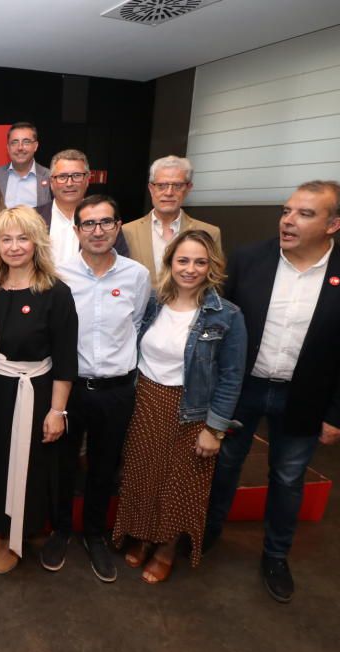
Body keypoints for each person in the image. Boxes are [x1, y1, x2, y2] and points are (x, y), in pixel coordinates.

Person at [204, 181, 340, 603]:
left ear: (335, 224)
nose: (288, 220)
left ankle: (275, 556)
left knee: (288, 478)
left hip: (304, 396)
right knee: (223, 466)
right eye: (286, 210)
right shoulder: (250, 259)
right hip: (244, 389)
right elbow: (221, 330)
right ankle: (206, 535)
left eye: (305, 214)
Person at [111, 229, 246, 584]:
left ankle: (167, 548)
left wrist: (214, 428)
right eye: (183, 260)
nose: (190, 269)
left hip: (190, 411)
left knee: (180, 485)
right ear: (170, 262)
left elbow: (232, 377)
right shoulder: (154, 303)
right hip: (145, 401)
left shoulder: (226, 315)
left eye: (200, 262)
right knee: (141, 475)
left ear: (212, 266)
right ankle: (140, 535)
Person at [0, 206, 76, 574]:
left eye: (22, 238)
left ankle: (18, 536)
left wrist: (57, 411)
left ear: (37, 242)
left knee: (27, 467)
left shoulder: (56, 293)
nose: (14, 246)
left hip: (34, 392)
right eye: (6, 238)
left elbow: (65, 358)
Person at [49, 195, 150, 580]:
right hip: (70, 389)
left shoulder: (136, 276)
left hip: (117, 390)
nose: (97, 231)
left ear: (118, 226)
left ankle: (94, 534)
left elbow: (137, 324)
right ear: (76, 231)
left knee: (104, 467)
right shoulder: (60, 275)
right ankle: (60, 529)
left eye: (105, 222)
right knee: (62, 464)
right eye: (88, 224)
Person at [122, 155, 221, 287]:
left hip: (190, 306)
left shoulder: (209, 232)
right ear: (151, 189)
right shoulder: (127, 231)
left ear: (188, 188)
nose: (169, 192)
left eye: (177, 185)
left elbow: (213, 281)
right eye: (161, 185)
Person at [36, 149, 129, 262]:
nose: (69, 183)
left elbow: (120, 264)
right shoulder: (33, 218)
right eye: (62, 177)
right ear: (51, 182)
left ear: (87, 179)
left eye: (77, 175)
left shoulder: (106, 221)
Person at [0, 122, 51, 209]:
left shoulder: (49, 177)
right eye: (14, 142)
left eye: (26, 142)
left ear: (35, 146)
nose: (20, 147)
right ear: (8, 148)